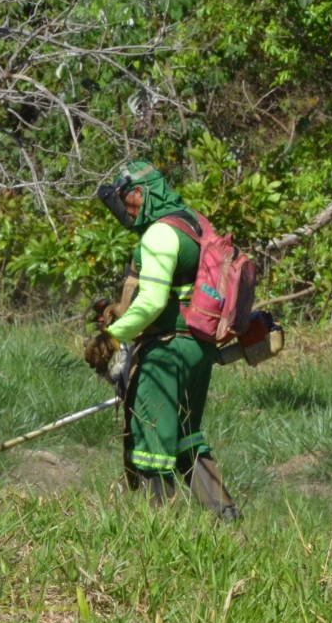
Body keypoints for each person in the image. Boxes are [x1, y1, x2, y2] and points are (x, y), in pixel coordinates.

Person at [86, 161, 239, 521]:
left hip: (167, 351)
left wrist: (111, 337)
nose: (125, 211)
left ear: (141, 193)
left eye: (127, 201)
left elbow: (153, 302)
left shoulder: (159, 233)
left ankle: (159, 529)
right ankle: (227, 518)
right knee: (186, 434)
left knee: (150, 440)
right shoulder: (193, 220)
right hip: (198, 349)